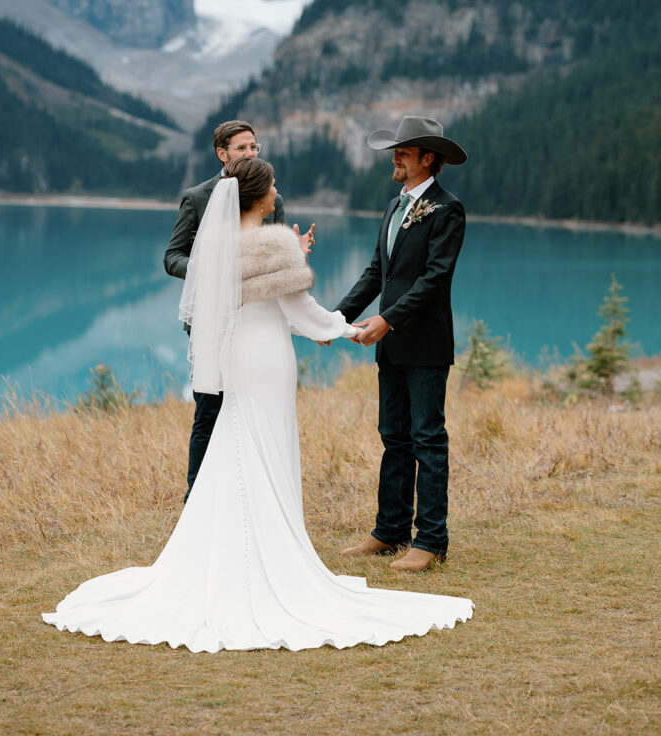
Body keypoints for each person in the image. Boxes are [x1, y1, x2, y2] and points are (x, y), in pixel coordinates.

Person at [42, 157, 473, 652]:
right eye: (273, 184)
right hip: (268, 359)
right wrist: (342, 327)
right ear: (260, 195)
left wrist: (322, 289)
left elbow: (252, 298)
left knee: (237, 440)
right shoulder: (275, 243)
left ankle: (240, 549)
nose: (277, 189)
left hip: (238, 357)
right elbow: (298, 309)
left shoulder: (220, 246)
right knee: (270, 446)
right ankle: (282, 548)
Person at [336, 116, 467, 572]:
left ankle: (430, 541)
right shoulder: (394, 207)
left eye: (404, 151)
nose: (395, 157)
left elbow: (435, 279)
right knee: (393, 438)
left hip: (425, 343)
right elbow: (377, 272)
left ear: (427, 159)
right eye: (396, 150)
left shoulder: (448, 209)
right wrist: (336, 319)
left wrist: (387, 320)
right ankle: (390, 532)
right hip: (390, 345)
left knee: (427, 439)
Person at [163, 119, 314, 500]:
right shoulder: (198, 197)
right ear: (222, 153)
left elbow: (273, 264)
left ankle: (245, 493)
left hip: (255, 327)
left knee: (249, 412)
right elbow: (172, 256)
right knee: (209, 411)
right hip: (212, 325)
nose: (250, 153)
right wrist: (207, 273)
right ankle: (196, 496)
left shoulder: (271, 199)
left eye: (254, 147)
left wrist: (295, 252)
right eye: (242, 148)